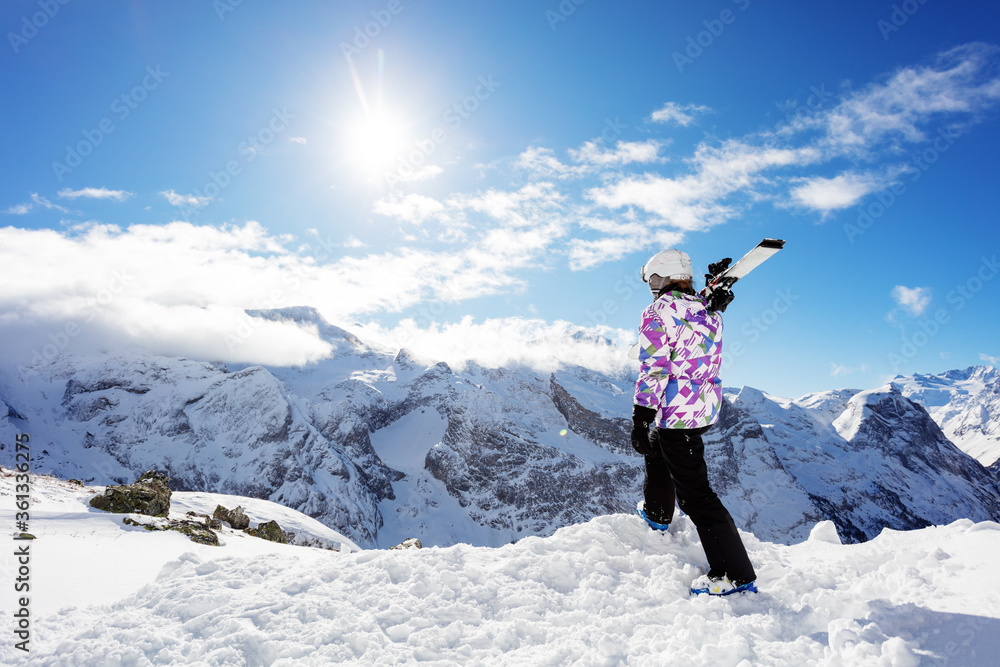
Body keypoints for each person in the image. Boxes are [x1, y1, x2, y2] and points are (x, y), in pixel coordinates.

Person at [630, 248, 757, 596]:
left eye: (654, 279)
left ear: (665, 277)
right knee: (658, 451)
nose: (652, 287)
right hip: (703, 407)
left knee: (696, 496)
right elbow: (690, 316)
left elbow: (655, 368)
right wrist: (709, 290)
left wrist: (642, 416)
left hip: (678, 415)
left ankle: (734, 574)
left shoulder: (656, 313)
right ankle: (657, 512)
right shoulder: (709, 311)